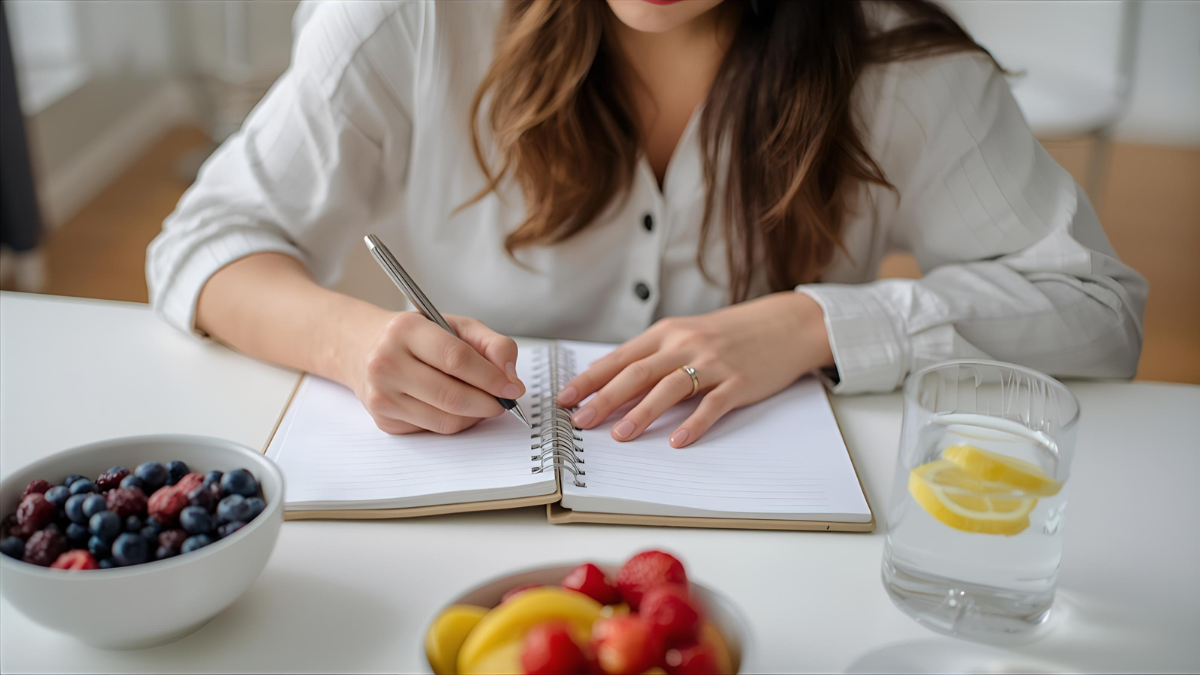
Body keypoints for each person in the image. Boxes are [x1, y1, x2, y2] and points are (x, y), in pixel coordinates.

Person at [147, 0, 1146, 448]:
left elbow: (1097, 306)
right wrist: (356, 342)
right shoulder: (410, 16)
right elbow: (205, 240)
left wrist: (811, 323)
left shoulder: (901, 63)